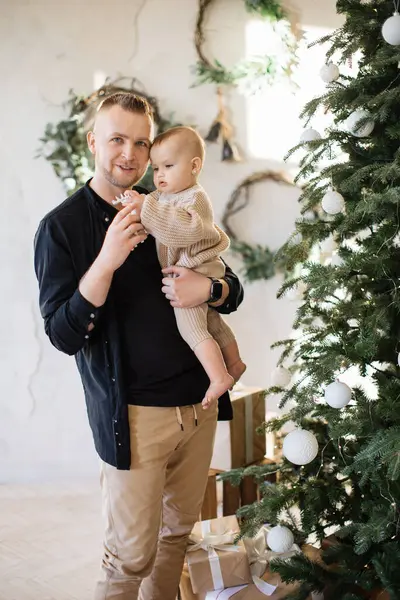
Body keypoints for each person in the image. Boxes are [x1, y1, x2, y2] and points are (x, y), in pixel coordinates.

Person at [34, 92, 244, 600]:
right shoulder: (62, 228)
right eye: (117, 140)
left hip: (198, 405)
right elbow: (63, 334)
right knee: (130, 556)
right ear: (93, 142)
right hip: (134, 417)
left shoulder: (168, 205)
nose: (129, 153)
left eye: (141, 142)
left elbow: (229, 285)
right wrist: (105, 261)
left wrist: (208, 290)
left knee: (176, 536)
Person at [117, 126, 246, 409]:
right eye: (156, 168)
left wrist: (145, 209)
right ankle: (234, 364)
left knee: (190, 327)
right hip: (195, 271)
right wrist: (135, 204)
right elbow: (155, 216)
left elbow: (184, 230)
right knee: (211, 323)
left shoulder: (194, 198)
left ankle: (218, 376)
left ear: (194, 166)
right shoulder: (163, 198)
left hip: (199, 269)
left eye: (168, 166)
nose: (159, 175)